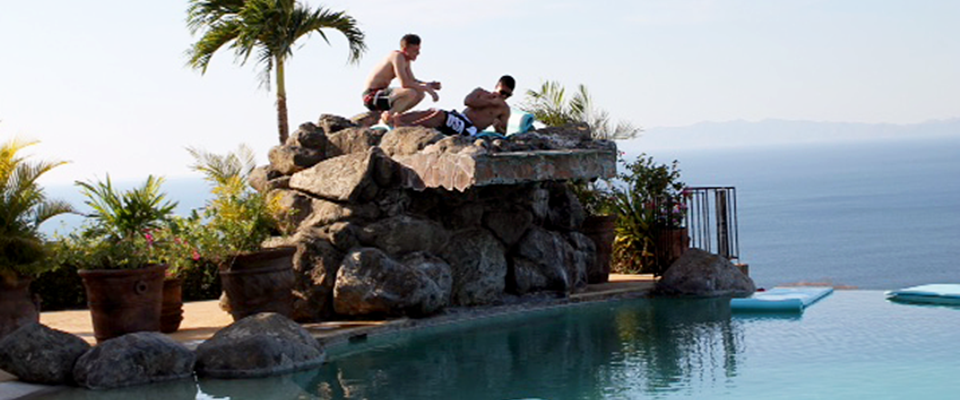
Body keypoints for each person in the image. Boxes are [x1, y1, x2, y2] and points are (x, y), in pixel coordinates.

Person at [395, 75, 515, 136]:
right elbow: (468, 101)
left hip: (470, 129)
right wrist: (490, 102)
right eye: (502, 92)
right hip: (460, 118)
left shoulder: (504, 109)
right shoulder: (481, 92)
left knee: (441, 115)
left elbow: (502, 133)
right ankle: (398, 120)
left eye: (507, 95)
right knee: (433, 111)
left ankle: (406, 127)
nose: (503, 97)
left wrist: (498, 126)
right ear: (496, 87)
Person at [362, 34, 441, 123]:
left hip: (384, 95)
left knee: (420, 93)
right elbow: (405, 83)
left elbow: (412, 81)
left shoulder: (406, 60)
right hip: (371, 95)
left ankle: (395, 115)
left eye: (419, 50)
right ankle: (387, 118)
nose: (418, 53)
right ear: (405, 49)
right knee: (410, 92)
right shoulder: (397, 56)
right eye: (415, 50)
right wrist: (429, 90)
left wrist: (428, 84)